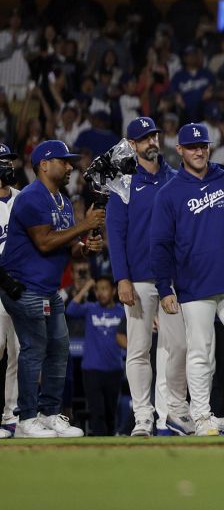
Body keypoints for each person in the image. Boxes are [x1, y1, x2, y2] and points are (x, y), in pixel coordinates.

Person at [150, 123, 224, 436]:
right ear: (181, 151)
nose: (198, 151)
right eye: (192, 147)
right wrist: (163, 287)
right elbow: (160, 244)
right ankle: (201, 416)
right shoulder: (170, 193)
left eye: (203, 146)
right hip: (194, 287)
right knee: (201, 353)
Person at [0, 139, 104, 438]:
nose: (70, 166)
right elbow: (44, 242)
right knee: (34, 350)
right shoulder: (32, 197)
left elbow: (68, 247)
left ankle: (48, 414)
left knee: (59, 350)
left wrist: (85, 248)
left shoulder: (61, 200)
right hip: (22, 287)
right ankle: (26, 418)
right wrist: (84, 226)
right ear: (44, 164)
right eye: (64, 161)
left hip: (46, 288)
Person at [106, 117, 190, 437]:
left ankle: (170, 411)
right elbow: (116, 232)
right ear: (132, 145)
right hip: (138, 277)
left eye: (154, 135)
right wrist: (121, 278)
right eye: (144, 138)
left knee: (176, 346)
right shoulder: (123, 181)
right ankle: (143, 416)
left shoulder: (175, 178)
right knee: (139, 348)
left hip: (171, 278)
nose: (152, 141)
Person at [65, 277, 125, 436]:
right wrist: (86, 287)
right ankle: (99, 445)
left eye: (105, 288)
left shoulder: (122, 311)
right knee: (96, 411)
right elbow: (70, 309)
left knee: (111, 413)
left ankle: (112, 444)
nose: (101, 292)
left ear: (113, 290)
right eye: (97, 289)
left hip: (114, 368)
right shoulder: (90, 308)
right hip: (91, 369)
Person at [0, 144, 22, 438]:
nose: (8, 165)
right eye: (2, 161)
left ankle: (10, 416)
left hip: (18, 286)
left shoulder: (22, 199)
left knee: (18, 352)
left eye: (9, 161)